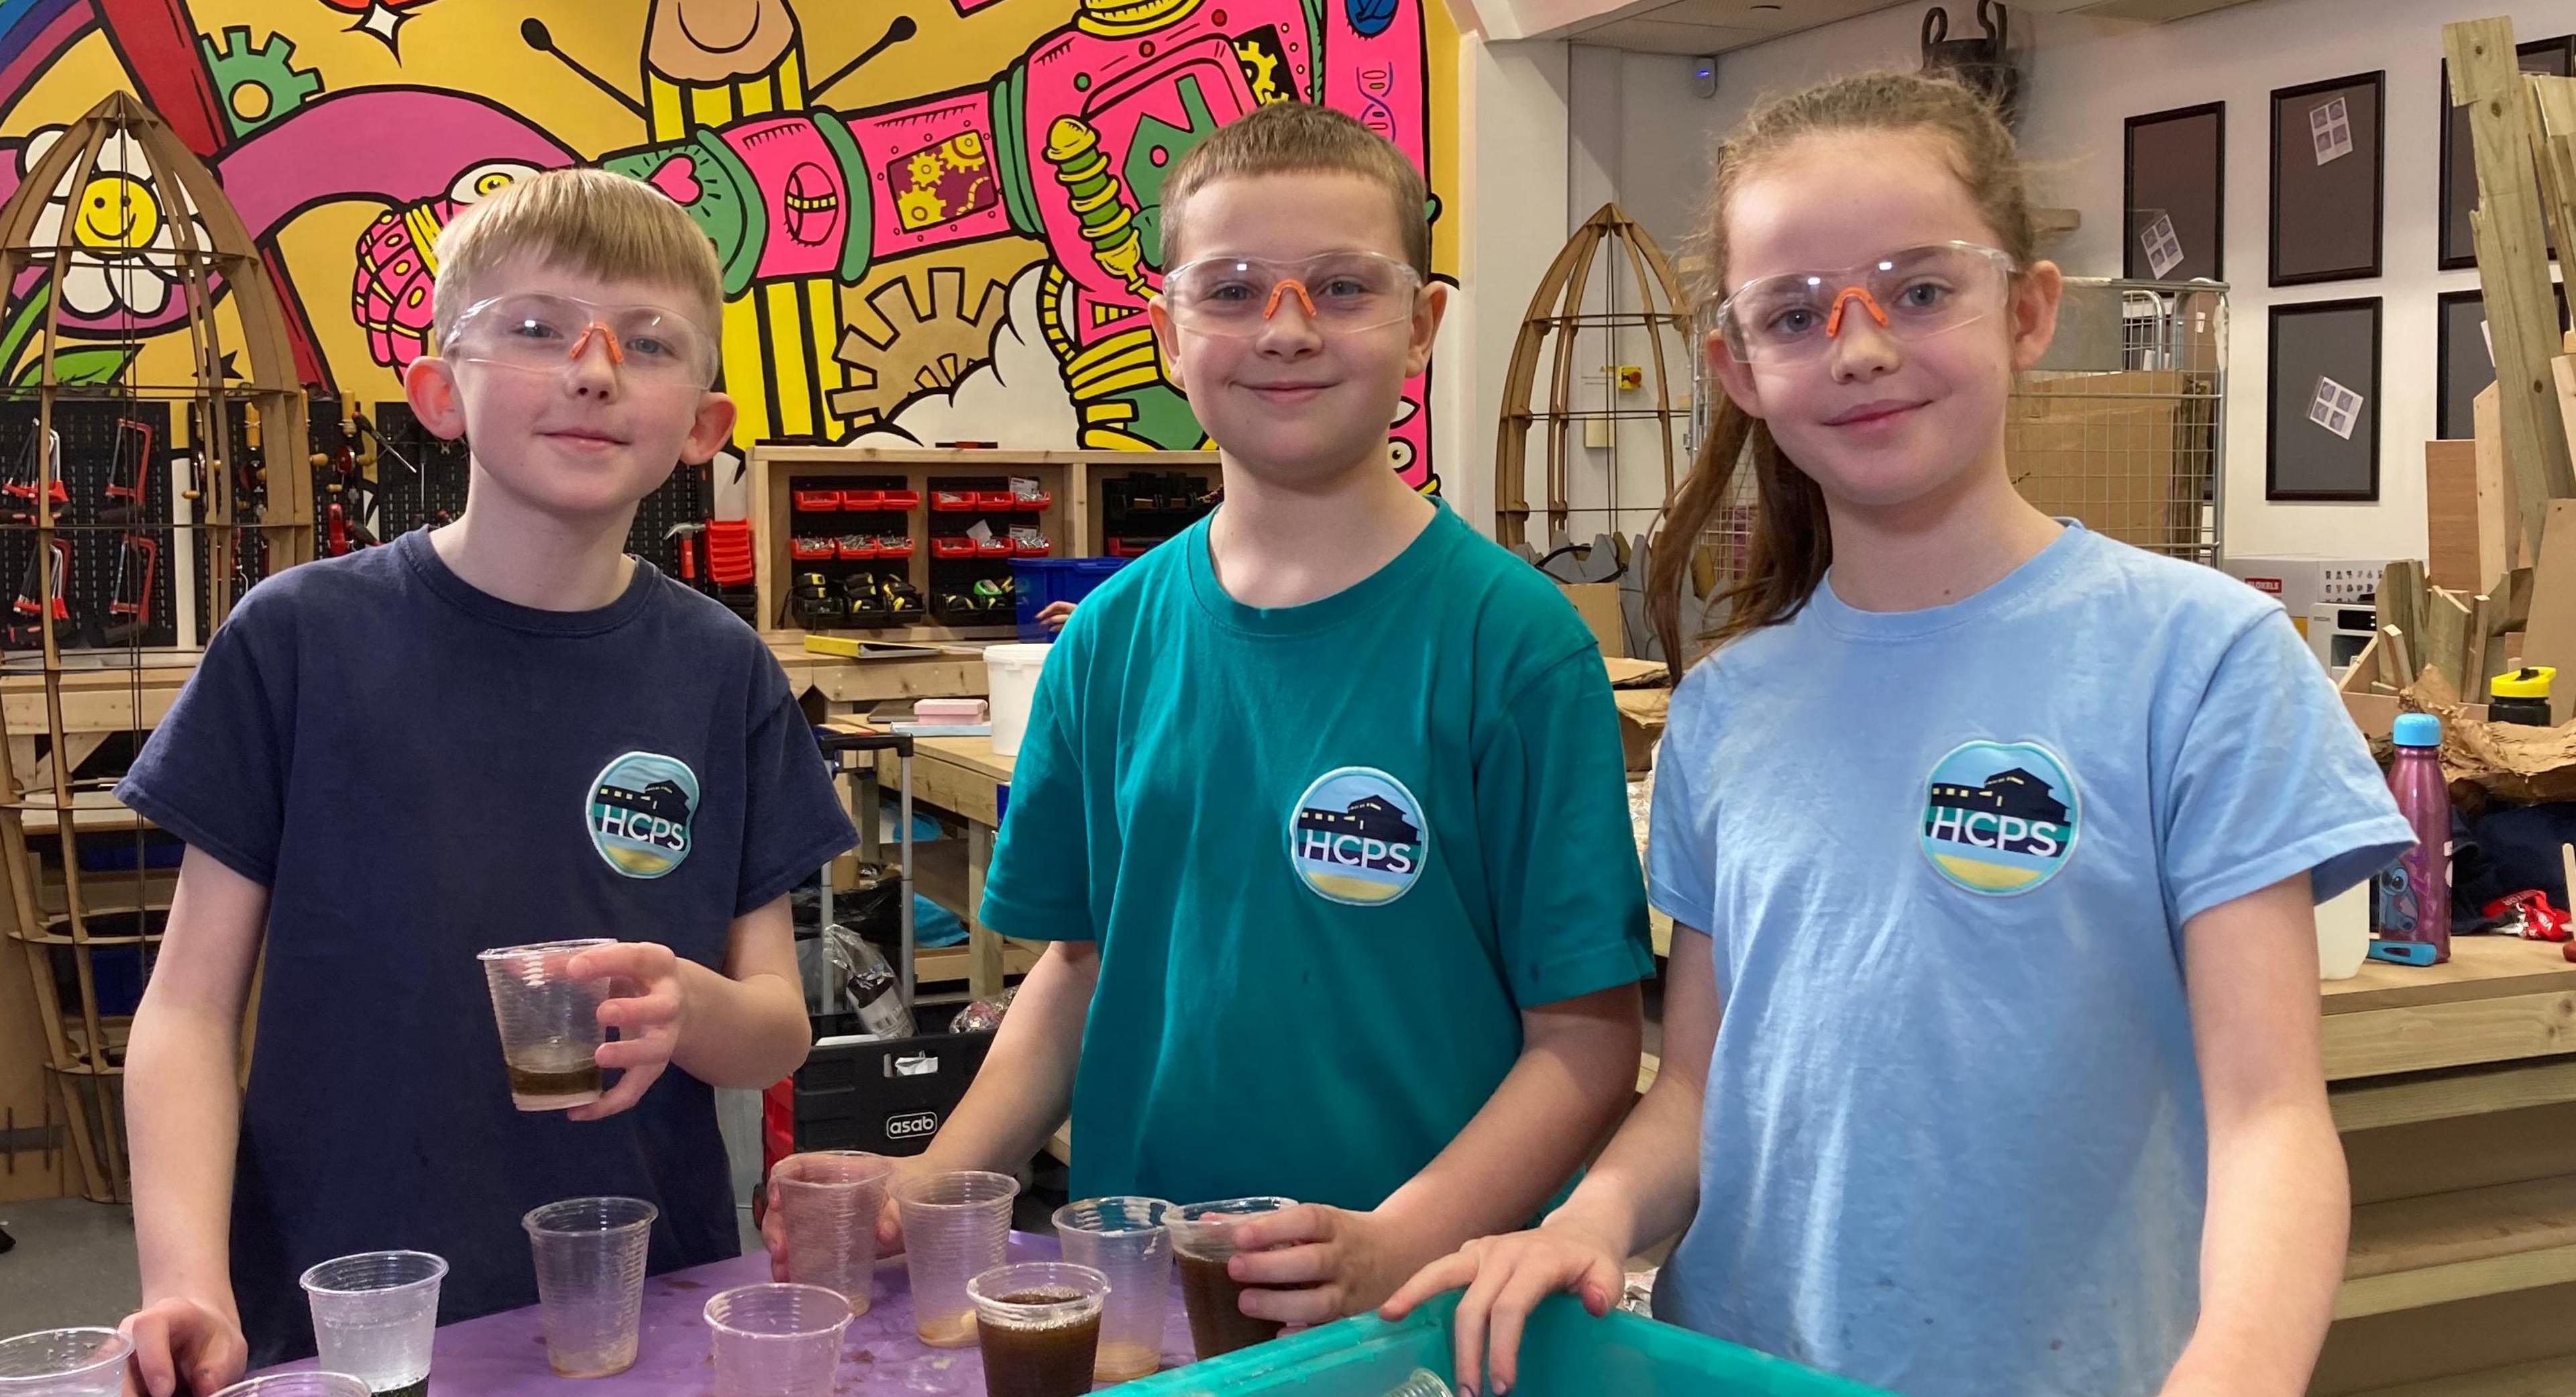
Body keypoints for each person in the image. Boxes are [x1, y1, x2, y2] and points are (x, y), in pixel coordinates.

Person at [1387, 70, 2413, 1397]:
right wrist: (1584, 1220)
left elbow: (2271, 1114)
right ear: (1738, 369)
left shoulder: (2199, 660)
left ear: (2029, 311)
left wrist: (2237, 1371)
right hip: (1745, 1371)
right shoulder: (1726, 710)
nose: (1862, 347)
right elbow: (1696, 1094)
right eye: (1797, 315)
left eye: (1920, 291)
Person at [770, 102, 1654, 1322]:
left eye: (1344, 287)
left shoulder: (1515, 647)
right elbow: (1077, 969)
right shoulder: (1111, 642)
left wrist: (1397, 1244)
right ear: (1168, 329)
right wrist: (938, 1178)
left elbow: (1589, 1045)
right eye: (1233, 290)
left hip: (1425, 1312)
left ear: (1424, 326)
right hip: (1155, 1299)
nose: (1287, 331)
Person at [115, 168, 857, 1394]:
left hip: (636, 1307)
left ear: (705, 424)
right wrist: (183, 1278)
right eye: (534, 327)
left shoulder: (723, 673)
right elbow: (189, 1009)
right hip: (340, 1296)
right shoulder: (300, 639)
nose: (594, 368)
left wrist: (686, 1007)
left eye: (649, 342)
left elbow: (776, 1029)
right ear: (436, 393)